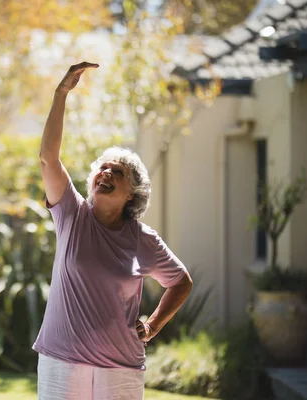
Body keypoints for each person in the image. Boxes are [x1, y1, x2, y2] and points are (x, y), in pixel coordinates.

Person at [33, 62, 193, 400]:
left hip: (121, 367)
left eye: (116, 172)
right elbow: (48, 159)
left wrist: (152, 326)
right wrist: (61, 94)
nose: (105, 173)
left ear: (132, 192)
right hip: (62, 361)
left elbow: (181, 281)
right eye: (102, 167)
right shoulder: (71, 214)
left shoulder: (143, 239)